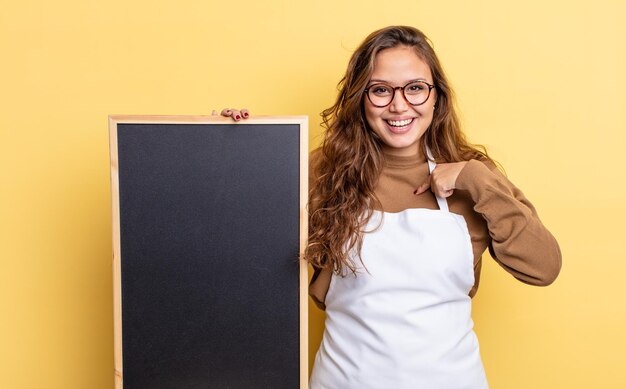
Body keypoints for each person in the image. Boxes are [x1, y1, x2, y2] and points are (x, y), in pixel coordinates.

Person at [221, 25, 561, 389]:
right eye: (381, 90)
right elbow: (235, 254)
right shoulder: (319, 171)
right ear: (360, 98)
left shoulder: (475, 177)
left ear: (436, 97)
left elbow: (543, 267)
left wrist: (476, 178)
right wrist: (233, 145)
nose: (399, 106)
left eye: (415, 88)